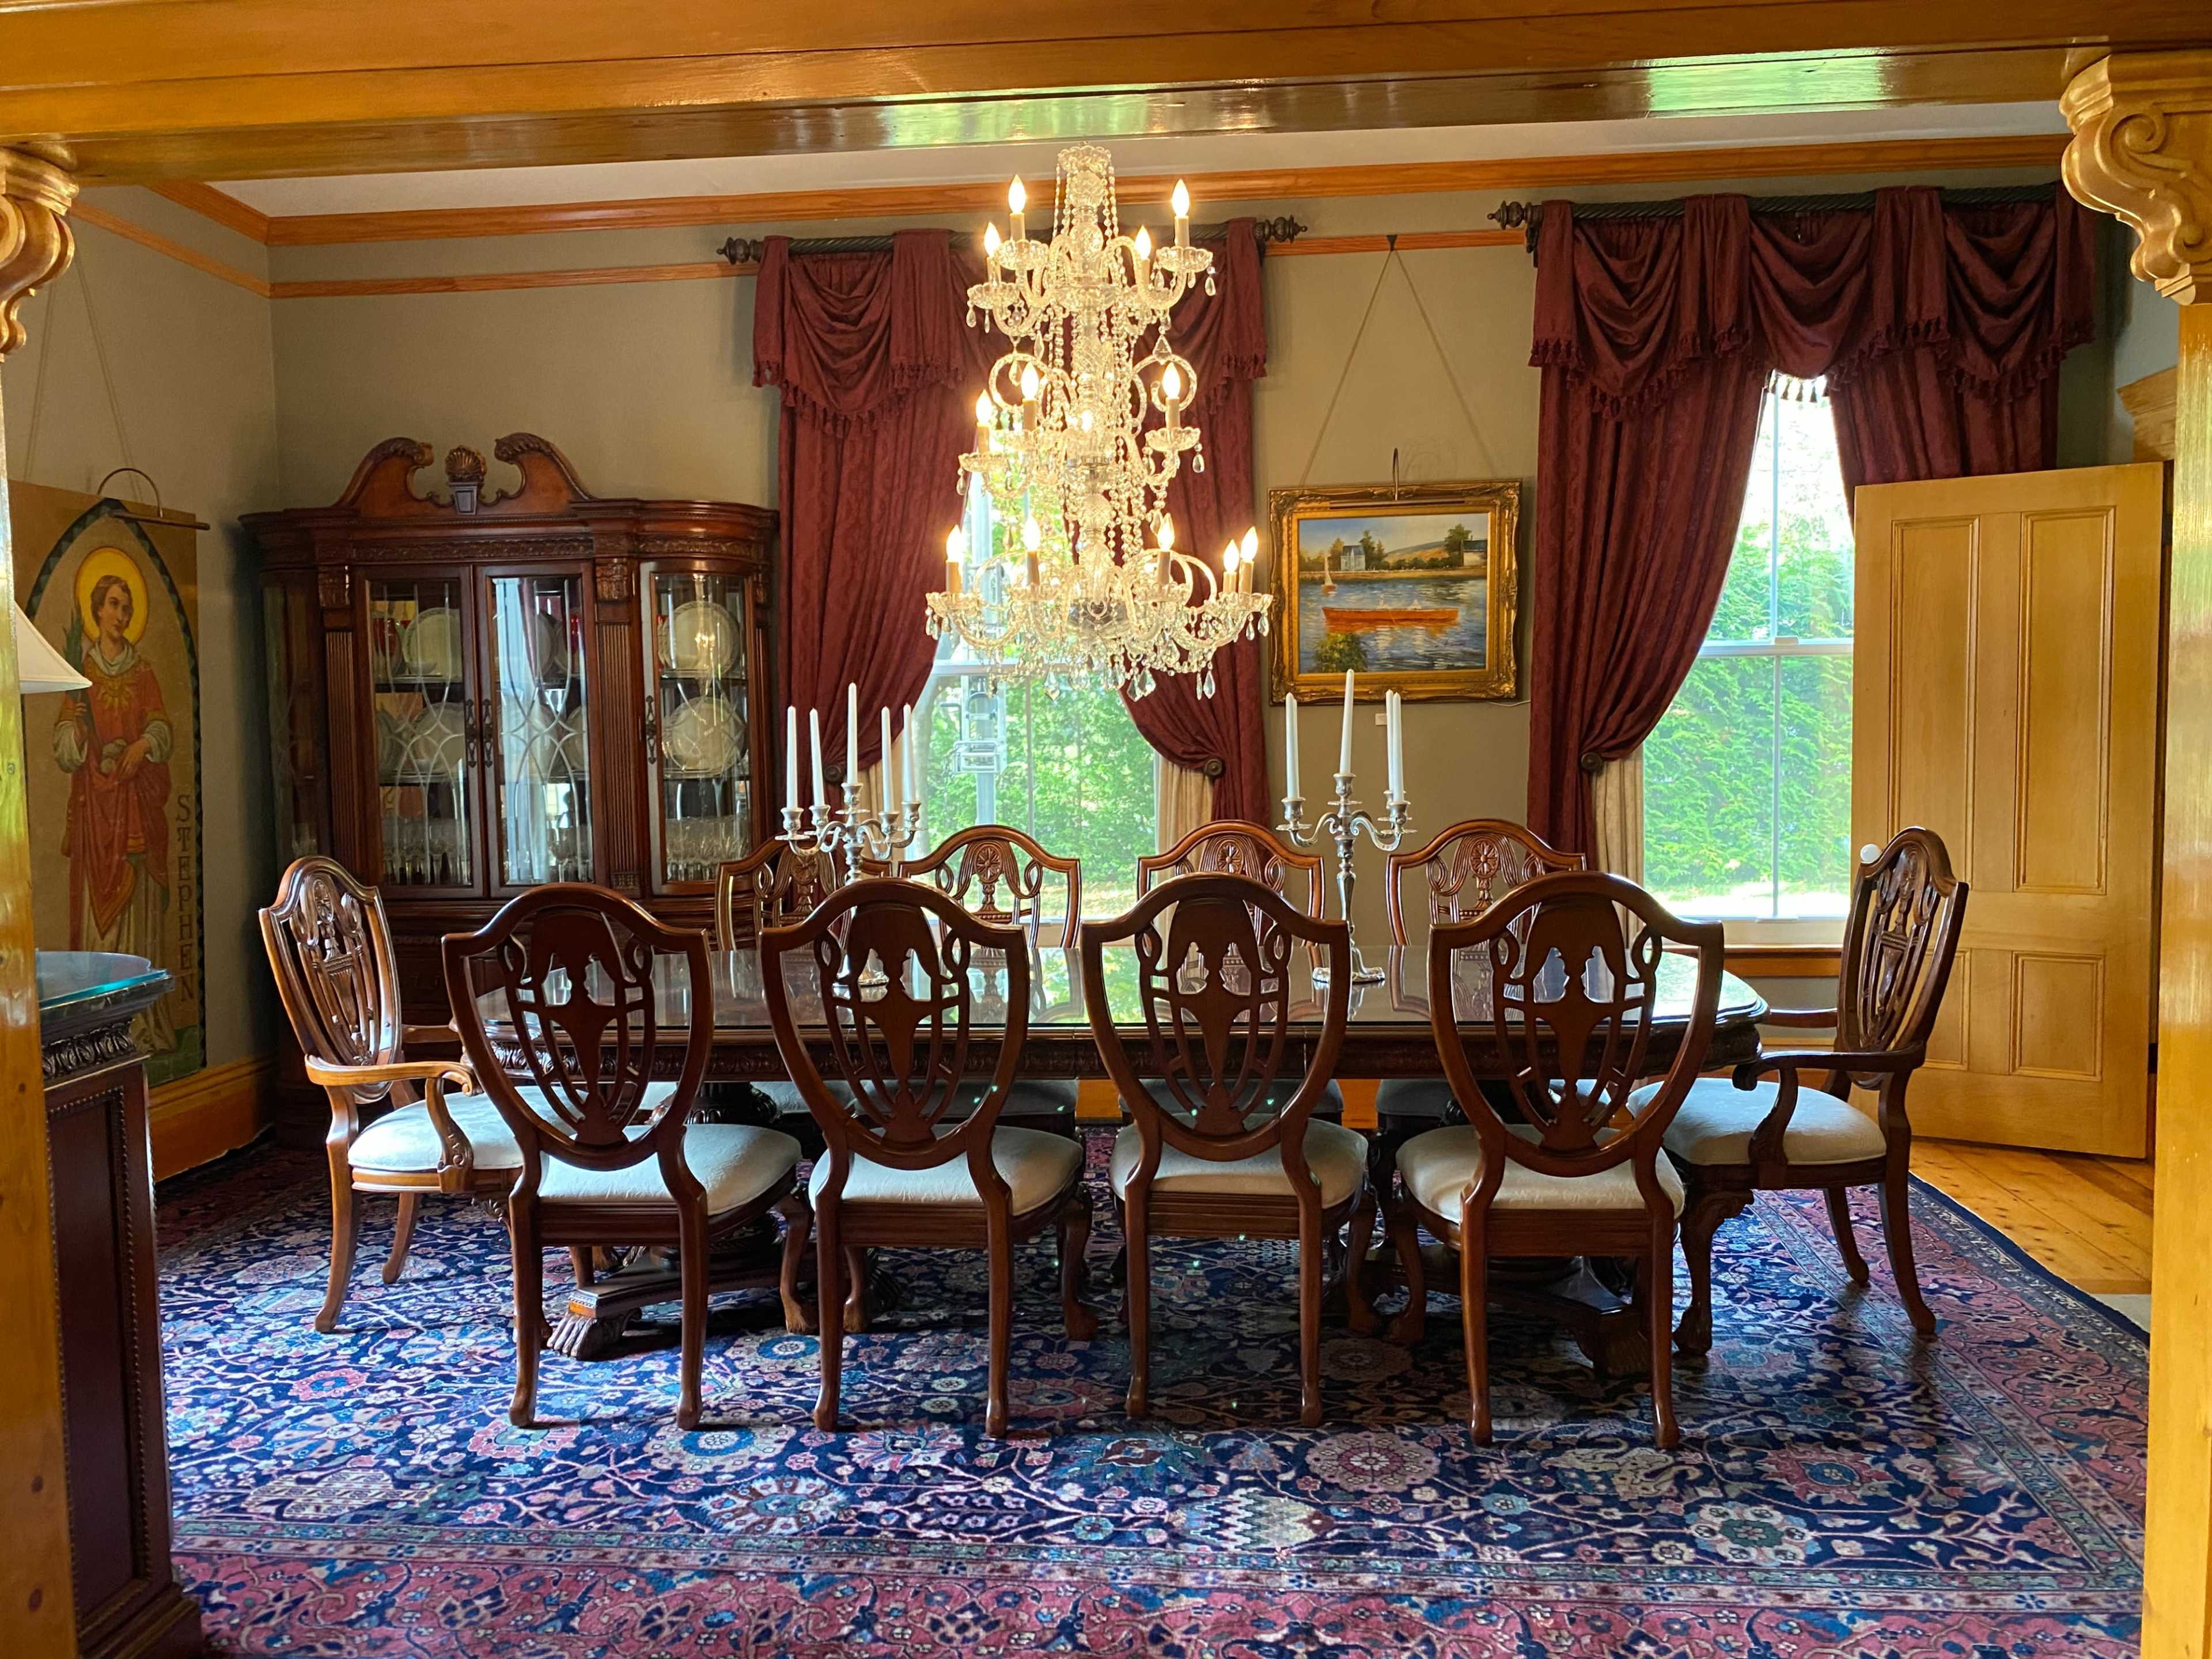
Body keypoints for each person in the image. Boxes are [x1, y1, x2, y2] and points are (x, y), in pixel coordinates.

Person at [52, 569, 177, 1054]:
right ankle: (97, 1023)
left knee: (138, 905)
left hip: (134, 803)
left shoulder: (142, 672)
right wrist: (79, 733)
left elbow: (162, 728)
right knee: (96, 912)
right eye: (113, 605)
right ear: (97, 611)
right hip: (95, 811)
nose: (120, 615)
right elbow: (64, 746)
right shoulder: (79, 674)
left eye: (127, 607)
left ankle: (141, 1022)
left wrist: (142, 745)